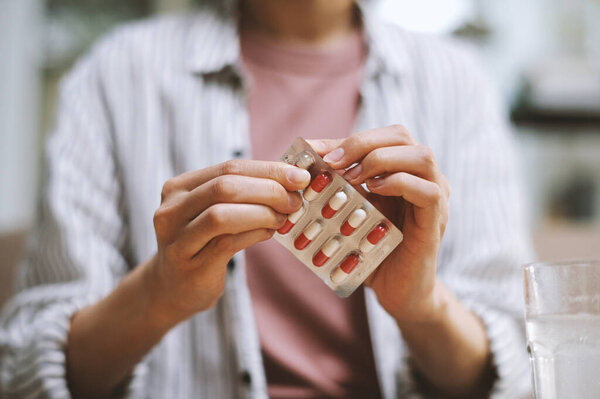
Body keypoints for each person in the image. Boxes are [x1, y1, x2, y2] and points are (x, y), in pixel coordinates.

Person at [0, 0, 534, 398]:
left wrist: (421, 306)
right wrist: (158, 295)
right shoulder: (113, 76)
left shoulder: (458, 83)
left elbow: (518, 374)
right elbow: (22, 372)